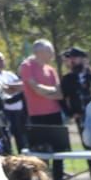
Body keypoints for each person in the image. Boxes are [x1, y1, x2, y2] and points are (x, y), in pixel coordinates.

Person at [19, 40, 66, 169]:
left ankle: (59, 179)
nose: (53, 54)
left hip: (54, 112)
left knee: (59, 148)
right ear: (39, 52)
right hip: (37, 114)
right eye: (50, 51)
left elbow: (59, 92)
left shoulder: (51, 69)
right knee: (41, 150)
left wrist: (45, 92)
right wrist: (48, 91)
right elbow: (35, 88)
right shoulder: (27, 66)